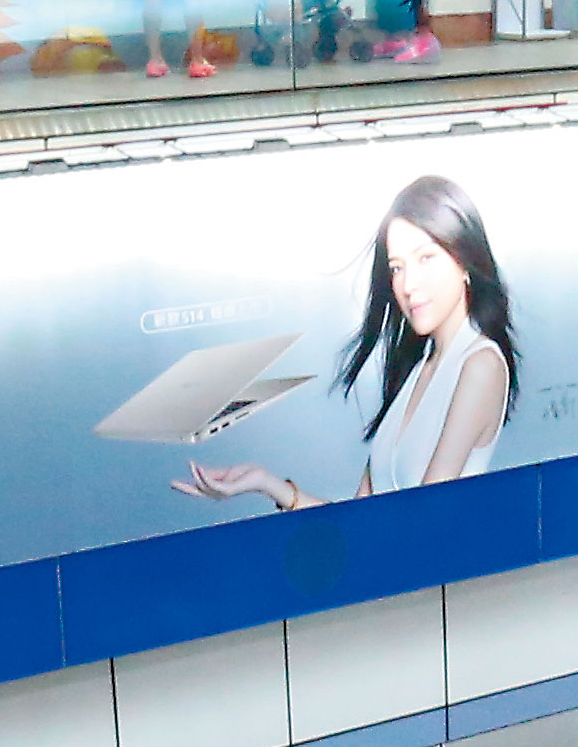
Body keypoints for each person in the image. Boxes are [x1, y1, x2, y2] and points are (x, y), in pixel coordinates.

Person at [180, 173, 518, 506]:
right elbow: (360, 518)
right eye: (397, 267)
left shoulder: (480, 365)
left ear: (464, 260)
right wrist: (267, 484)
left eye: (425, 258)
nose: (408, 284)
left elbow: (421, 517)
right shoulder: (418, 370)